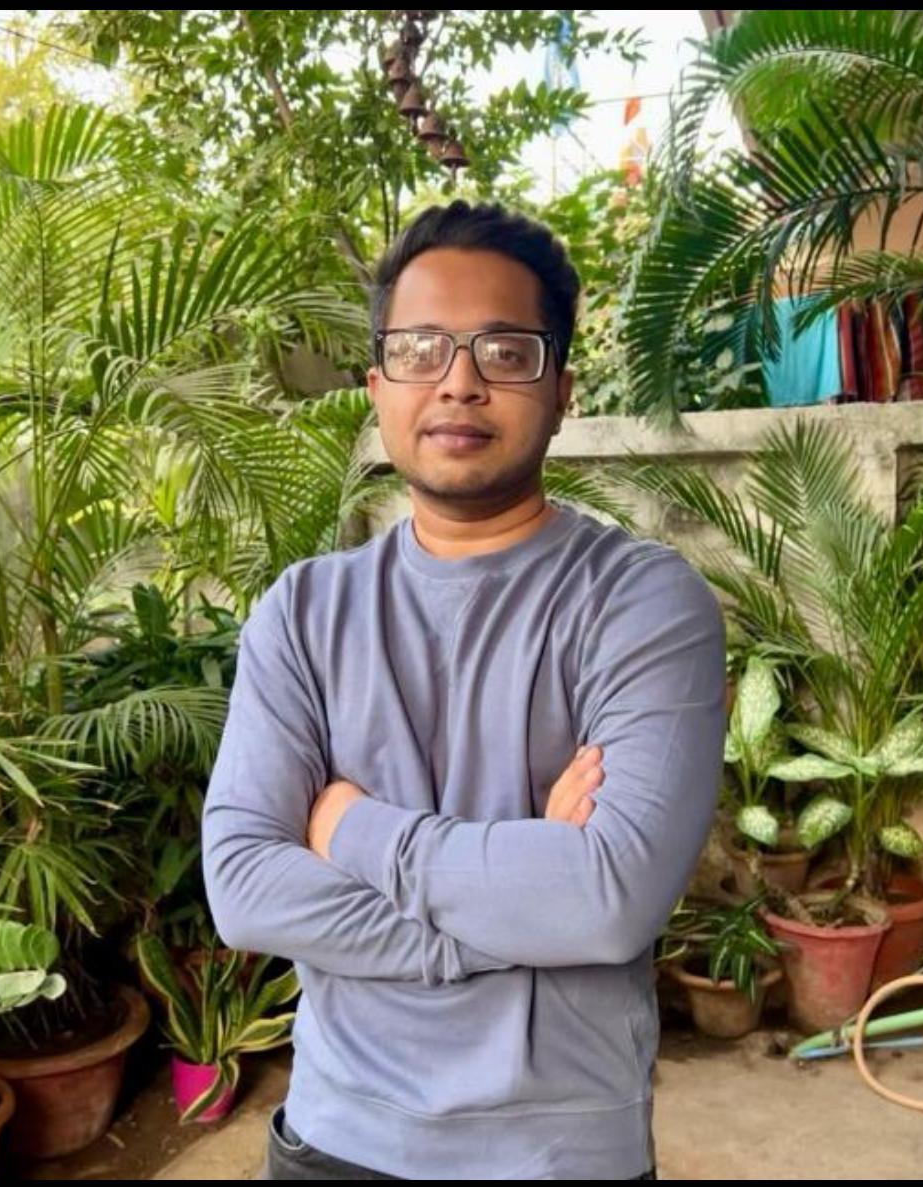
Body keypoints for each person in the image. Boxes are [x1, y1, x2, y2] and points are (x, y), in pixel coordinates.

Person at [201, 199, 727, 1180]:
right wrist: (512, 915)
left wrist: (351, 828)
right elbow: (244, 887)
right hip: (334, 1136)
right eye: (420, 348)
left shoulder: (641, 602)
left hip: (559, 1151)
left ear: (561, 389)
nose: (459, 380)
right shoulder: (303, 611)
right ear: (376, 385)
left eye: (505, 350)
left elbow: (608, 900)